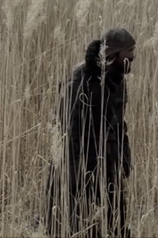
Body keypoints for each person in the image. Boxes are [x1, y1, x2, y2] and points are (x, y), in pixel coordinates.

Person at [44, 28, 136, 238]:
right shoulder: (80, 80)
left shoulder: (118, 79)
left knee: (115, 224)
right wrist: (79, 173)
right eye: (129, 52)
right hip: (77, 163)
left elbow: (119, 125)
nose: (133, 57)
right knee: (73, 224)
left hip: (107, 162)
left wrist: (123, 157)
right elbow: (69, 130)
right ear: (113, 54)